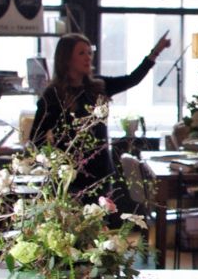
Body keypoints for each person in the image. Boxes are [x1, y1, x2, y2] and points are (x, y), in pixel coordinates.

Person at [30, 32, 170, 200]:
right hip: (69, 177)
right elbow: (36, 138)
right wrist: (56, 161)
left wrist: (156, 52)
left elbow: (132, 79)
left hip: (101, 171)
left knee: (101, 223)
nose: (88, 57)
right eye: (81, 53)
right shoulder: (53, 95)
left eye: (90, 53)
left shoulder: (98, 86)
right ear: (66, 59)